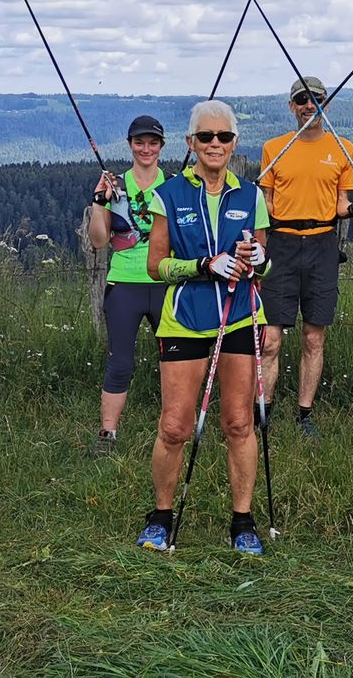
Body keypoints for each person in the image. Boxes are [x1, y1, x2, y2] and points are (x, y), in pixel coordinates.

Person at [134, 100, 272, 554]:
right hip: (186, 320)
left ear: (234, 143)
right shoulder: (170, 194)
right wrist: (203, 265)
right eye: (206, 137)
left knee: (237, 422)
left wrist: (258, 261)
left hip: (239, 317)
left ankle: (243, 521)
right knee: (175, 425)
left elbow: (262, 263)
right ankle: (160, 516)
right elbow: (156, 266)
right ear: (191, 143)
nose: (216, 144)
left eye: (224, 137)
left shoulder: (250, 196)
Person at [257, 76, 353, 441]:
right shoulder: (275, 148)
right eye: (301, 100)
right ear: (291, 106)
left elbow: (341, 205)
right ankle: (263, 413)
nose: (308, 106)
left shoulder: (344, 148)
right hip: (281, 244)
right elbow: (266, 201)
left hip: (322, 245)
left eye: (315, 99)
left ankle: (305, 414)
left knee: (314, 338)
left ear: (326, 105)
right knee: (270, 338)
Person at [86, 114, 169, 456]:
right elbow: (99, 241)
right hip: (124, 284)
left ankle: (175, 426)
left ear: (162, 146)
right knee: (120, 360)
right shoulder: (114, 185)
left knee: (175, 360)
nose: (146, 149)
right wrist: (99, 202)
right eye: (139, 142)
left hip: (165, 280)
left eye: (152, 143)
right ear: (130, 144)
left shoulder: (175, 186)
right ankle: (107, 434)